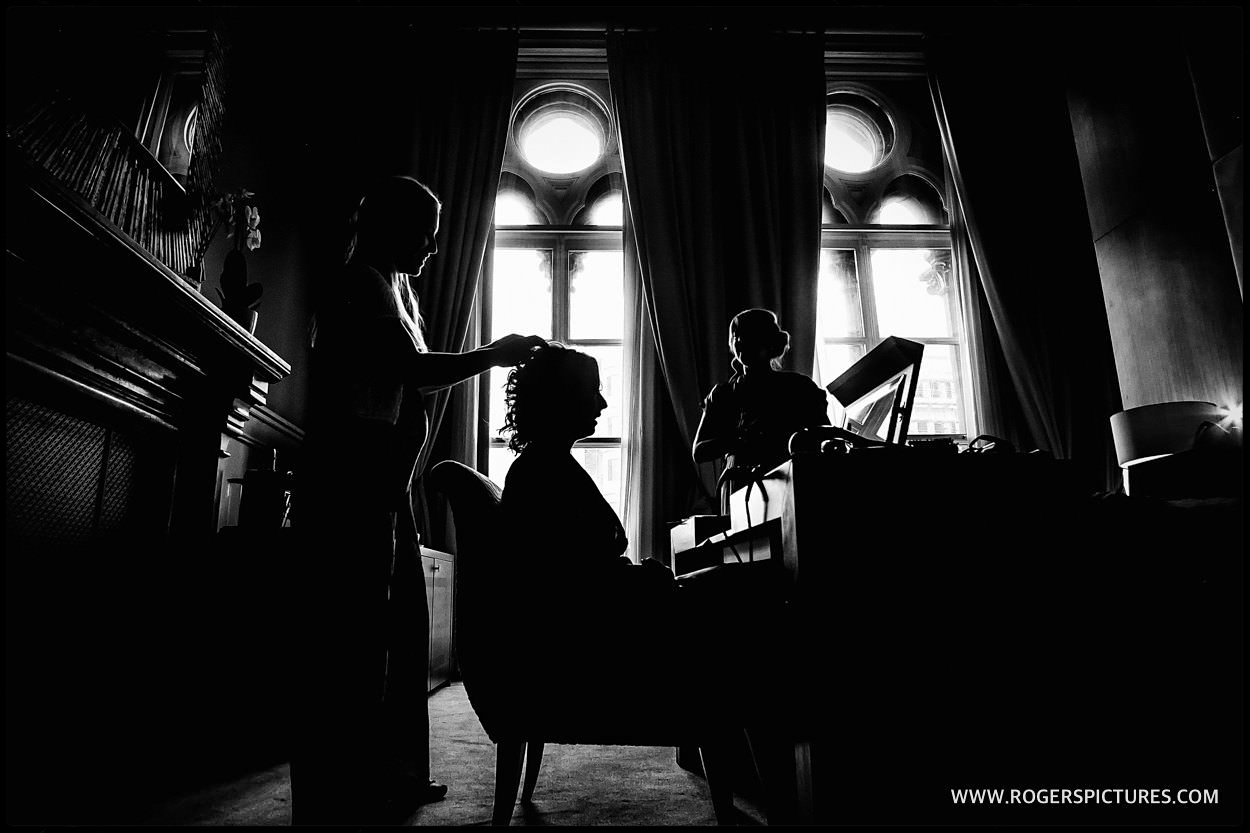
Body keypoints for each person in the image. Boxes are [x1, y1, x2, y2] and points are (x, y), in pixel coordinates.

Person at [292, 175, 544, 825]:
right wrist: (493, 353)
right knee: (356, 635)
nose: (434, 247)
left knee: (398, 628)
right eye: (425, 233)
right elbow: (411, 370)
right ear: (389, 226)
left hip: (386, 477)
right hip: (355, 475)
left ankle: (394, 772)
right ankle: (349, 781)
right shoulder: (361, 283)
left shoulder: (396, 286)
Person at [692, 309, 830, 506]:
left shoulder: (798, 387)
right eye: (736, 337)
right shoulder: (722, 394)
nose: (739, 342)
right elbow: (699, 451)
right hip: (738, 488)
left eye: (748, 337)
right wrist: (740, 439)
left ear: (769, 342)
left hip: (790, 482)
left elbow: (824, 436)